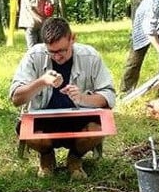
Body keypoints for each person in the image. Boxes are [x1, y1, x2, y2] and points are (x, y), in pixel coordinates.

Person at [9, 17, 116, 180]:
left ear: (73, 38)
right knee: (26, 130)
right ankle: (46, 156)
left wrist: (82, 98)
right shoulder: (34, 55)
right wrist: (41, 82)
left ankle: (75, 157)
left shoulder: (90, 56)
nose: (57, 57)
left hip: (80, 119)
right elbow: (16, 98)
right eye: (52, 52)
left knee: (101, 126)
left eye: (62, 50)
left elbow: (108, 97)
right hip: (44, 119)